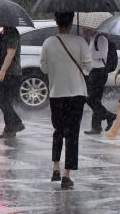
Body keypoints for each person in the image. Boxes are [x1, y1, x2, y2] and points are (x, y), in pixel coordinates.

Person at [40, 12, 92, 190]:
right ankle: (66, 175)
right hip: (76, 94)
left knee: (58, 131)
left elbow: (44, 67)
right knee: (72, 135)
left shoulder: (48, 42)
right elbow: (88, 66)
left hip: (56, 93)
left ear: (56, 22)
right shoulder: (80, 42)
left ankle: (55, 167)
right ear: (70, 23)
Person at [0, 25, 25, 139]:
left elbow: (10, 54)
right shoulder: (5, 31)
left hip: (12, 73)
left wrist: (3, 71)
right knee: (6, 100)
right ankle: (10, 130)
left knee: (1, 99)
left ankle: (16, 123)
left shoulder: (12, 33)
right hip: (8, 72)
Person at [82, 28, 117, 135]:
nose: (85, 30)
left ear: (94, 28)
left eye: (87, 29)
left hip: (99, 72)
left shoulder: (101, 38)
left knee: (90, 99)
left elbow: (104, 56)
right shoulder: (92, 38)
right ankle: (96, 127)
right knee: (95, 100)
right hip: (93, 72)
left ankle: (108, 115)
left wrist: (89, 55)